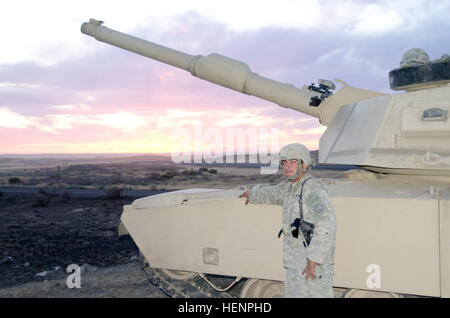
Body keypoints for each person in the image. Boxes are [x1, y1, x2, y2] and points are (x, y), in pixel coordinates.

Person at [239, 143, 336, 297]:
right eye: (284, 162)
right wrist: (251, 195)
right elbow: (273, 194)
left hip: (312, 264)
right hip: (296, 262)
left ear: (304, 164)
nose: (286, 166)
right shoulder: (291, 188)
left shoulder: (312, 188)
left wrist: (314, 258)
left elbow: (326, 225)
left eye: (292, 162)